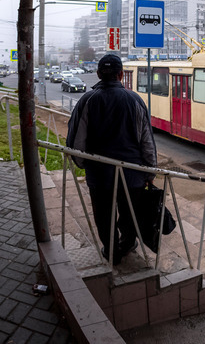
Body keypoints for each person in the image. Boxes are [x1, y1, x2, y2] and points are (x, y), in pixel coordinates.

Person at [66, 54, 157, 265]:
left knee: (104, 216)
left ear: (98, 74)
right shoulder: (135, 100)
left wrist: (84, 165)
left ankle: (112, 251)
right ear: (121, 74)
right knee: (129, 213)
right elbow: (147, 143)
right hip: (132, 175)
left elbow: (75, 143)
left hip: (99, 176)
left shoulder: (87, 101)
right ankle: (127, 244)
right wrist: (150, 173)